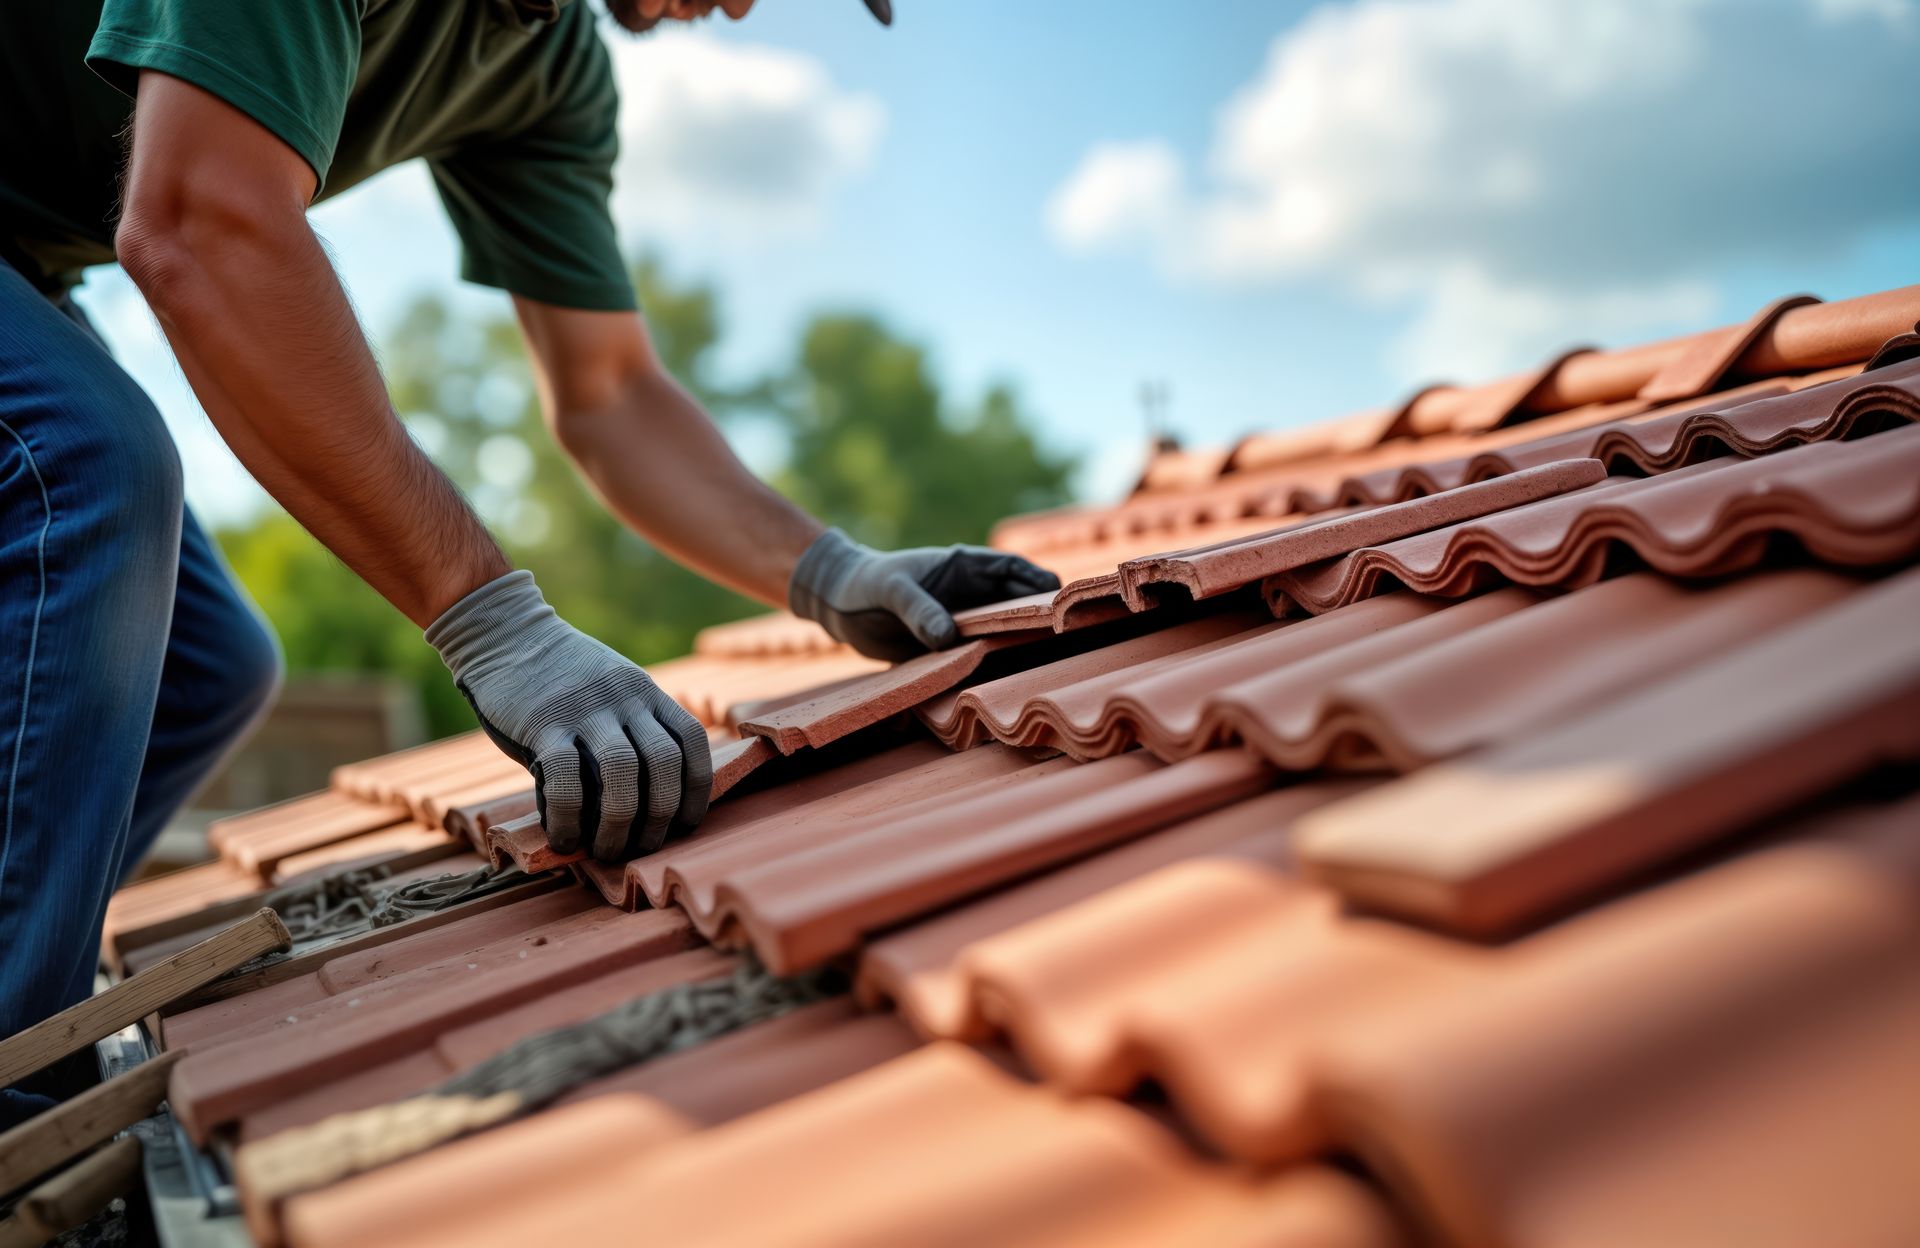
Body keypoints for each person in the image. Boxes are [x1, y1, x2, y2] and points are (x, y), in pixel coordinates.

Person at [0, 0, 1058, 1108]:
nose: (744, 7)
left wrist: (831, 572)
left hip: (25, 261)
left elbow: (609, 392)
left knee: (204, 667)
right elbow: (200, 229)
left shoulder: (545, 63)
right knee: (76, 472)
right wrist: (492, 623)